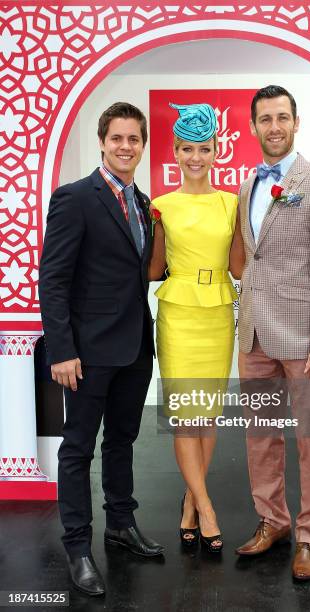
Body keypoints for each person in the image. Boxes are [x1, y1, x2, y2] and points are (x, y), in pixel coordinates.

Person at [39, 102, 163, 597]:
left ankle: (119, 523)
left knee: (122, 442)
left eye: (135, 139)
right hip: (86, 354)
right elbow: (54, 278)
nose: (126, 146)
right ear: (103, 141)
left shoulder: (143, 202)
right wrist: (61, 350)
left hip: (135, 348)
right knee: (78, 449)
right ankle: (77, 546)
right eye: (118, 138)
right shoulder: (75, 198)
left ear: (143, 144)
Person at [235, 85, 310, 580]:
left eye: (282, 117)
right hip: (255, 338)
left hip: (307, 343)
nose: (274, 127)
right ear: (253, 126)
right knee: (261, 438)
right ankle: (273, 520)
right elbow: (252, 260)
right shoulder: (248, 185)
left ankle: (309, 538)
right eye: (265, 119)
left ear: (296, 122)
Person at [148, 102, 244, 553]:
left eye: (203, 148)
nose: (195, 157)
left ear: (216, 150)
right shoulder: (160, 205)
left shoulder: (231, 203)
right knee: (186, 415)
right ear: (175, 151)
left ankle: (189, 502)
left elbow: (240, 266)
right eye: (187, 148)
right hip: (180, 314)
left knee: (208, 415)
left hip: (219, 313)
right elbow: (152, 269)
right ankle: (206, 507)